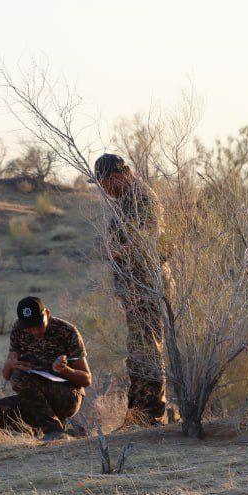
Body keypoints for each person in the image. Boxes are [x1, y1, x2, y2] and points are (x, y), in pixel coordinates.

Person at [93, 153, 169, 426]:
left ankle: (150, 416)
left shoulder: (142, 198)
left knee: (147, 349)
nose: (103, 190)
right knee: (137, 350)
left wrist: (115, 253)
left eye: (103, 184)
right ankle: (137, 415)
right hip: (134, 288)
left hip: (146, 286)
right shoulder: (125, 201)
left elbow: (146, 241)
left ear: (115, 177)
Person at [0, 296, 91, 441]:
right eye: (29, 327)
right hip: (35, 400)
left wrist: (64, 370)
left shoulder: (67, 331)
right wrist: (10, 365)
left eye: (38, 325)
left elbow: (86, 379)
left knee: (19, 378)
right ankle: (58, 427)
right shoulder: (19, 330)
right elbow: (7, 375)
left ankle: (54, 431)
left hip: (68, 396)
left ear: (47, 314)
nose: (35, 331)